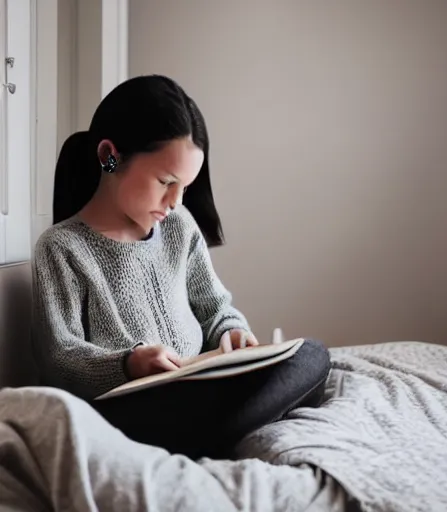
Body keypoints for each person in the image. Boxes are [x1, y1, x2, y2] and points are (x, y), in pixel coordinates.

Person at [32, 75, 330, 459]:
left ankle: (226, 424)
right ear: (110, 156)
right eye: (165, 182)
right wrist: (129, 363)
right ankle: (229, 426)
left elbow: (214, 308)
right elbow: (59, 358)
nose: (175, 201)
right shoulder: (61, 248)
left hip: (197, 387)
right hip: (129, 411)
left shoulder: (180, 227)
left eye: (185, 187)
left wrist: (233, 332)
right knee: (223, 406)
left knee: (311, 355)